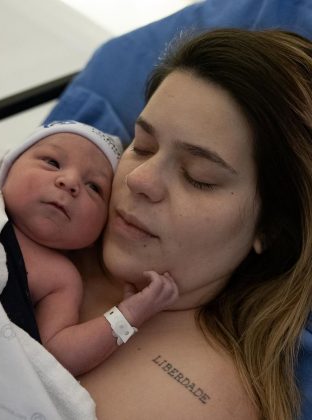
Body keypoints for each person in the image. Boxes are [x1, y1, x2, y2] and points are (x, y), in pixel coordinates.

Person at [58, 29, 312, 420]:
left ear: (271, 229)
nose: (139, 180)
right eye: (141, 146)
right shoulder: (39, 219)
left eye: (199, 176)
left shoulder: (195, 402)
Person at [0, 120, 178, 376]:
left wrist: (127, 316)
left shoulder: (60, 277)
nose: (70, 182)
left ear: (100, 231)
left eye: (94, 187)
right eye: (52, 162)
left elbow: (56, 355)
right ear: (8, 168)